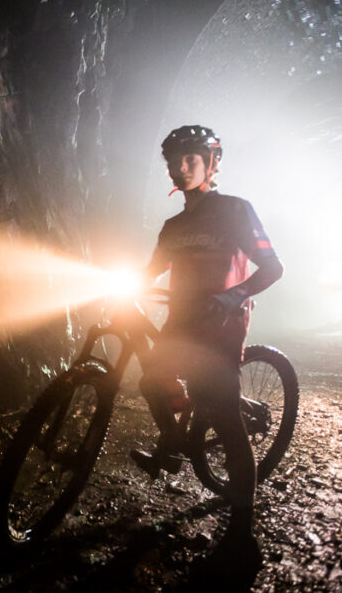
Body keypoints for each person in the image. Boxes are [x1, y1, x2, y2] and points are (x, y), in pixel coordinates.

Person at [132, 125, 283, 562]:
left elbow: (273, 267)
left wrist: (235, 294)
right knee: (151, 382)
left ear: (211, 164)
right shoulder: (173, 225)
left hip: (220, 326)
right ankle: (176, 444)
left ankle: (241, 526)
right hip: (180, 322)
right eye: (173, 162)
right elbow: (151, 271)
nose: (179, 169)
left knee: (226, 422)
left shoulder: (237, 211)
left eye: (189, 160)